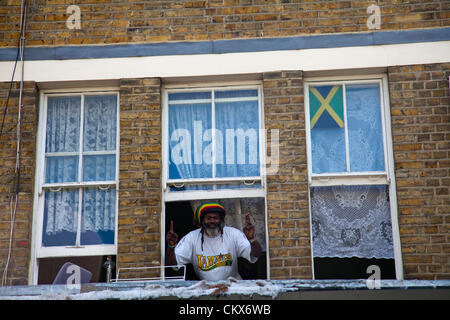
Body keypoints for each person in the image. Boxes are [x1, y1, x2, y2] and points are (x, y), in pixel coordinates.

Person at [166, 202, 262, 281]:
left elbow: (255, 255)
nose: (212, 221)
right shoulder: (192, 237)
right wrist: (171, 246)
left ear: (220, 220)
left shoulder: (233, 234)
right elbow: (172, 264)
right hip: (206, 291)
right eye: (208, 218)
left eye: (215, 218)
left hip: (233, 288)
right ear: (202, 220)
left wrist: (252, 239)